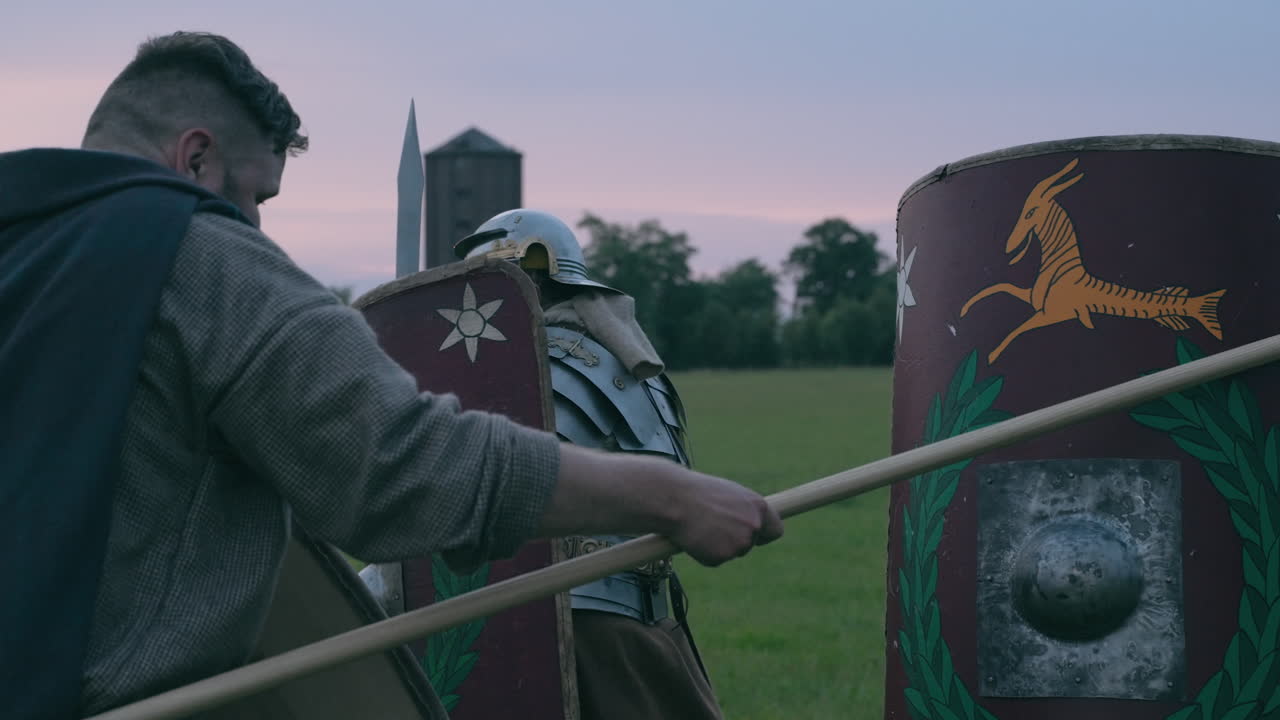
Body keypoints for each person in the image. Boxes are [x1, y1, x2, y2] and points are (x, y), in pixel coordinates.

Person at [0, 31, 782, 720]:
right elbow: (400, 466)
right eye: (254, 196)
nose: (255, 226)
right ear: (195, 157)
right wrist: (667, 495)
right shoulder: (193, 254)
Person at [459, 209, 728, 720]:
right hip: (643, 623)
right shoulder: (620, 357)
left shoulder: (540, 367)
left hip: (569, 630)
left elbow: (504, 496)